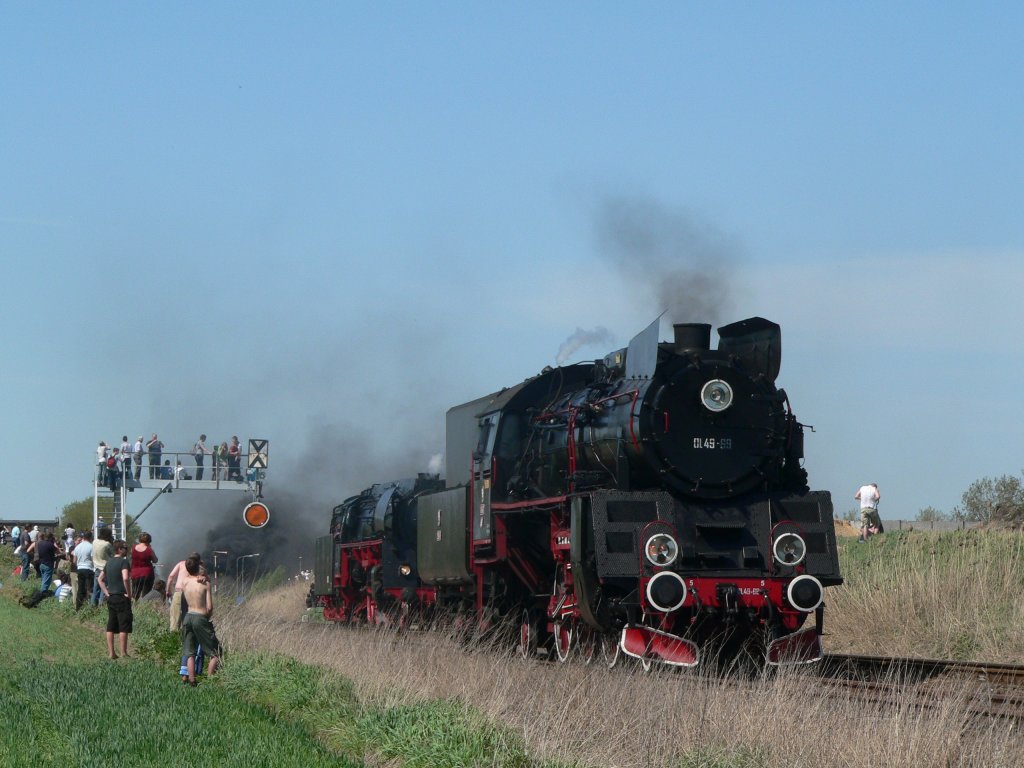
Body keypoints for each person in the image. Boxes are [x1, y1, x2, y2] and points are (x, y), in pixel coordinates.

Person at [180, 558, 223, 685]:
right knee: (216, 652)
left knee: (190, 652)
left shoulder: (185, 582)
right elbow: (209, 607)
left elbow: (190, 574)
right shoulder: (205, 584)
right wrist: (207, 617)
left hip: (188, 616)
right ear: (198, 567)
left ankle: (192, 680)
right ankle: (210, 679)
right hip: (201, 617)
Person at [98, 540, 133, 659]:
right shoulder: (124, 562)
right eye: (125, 548)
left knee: (111, 624)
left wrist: (106, 592)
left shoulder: (109, 562)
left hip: (111, 597)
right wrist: (129, 593)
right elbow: (126, 578)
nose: (126, 550)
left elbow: (100, 579)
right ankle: (123, 652)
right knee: (124, 624)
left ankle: (111, 652)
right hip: (122, 596)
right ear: (119, 549)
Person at [165, 553, 202, 631]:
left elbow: (171, 576)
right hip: (191, 594)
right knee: (187, 616)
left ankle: (173, 636)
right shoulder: (199, 567)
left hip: (179, 592)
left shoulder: (181, 564)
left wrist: (168, 591)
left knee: (175, 616)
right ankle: (186, 635)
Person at [130, 532, 158, 600]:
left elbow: (132, 556)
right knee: (146, 594)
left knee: (135, 593)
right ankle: (144, 607)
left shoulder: (133, 548)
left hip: (135, 573)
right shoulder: (149, 550)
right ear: (149, 540)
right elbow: (155, 560)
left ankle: (134, 607)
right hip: (147, 573)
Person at [72, 531, 95, 611]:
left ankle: (78, 607)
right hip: (89, 569)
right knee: (89, 588)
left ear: (83, 537)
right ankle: (90, 607)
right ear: (90, 538)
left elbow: (74, 561)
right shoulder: (91, 546)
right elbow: (93, 560)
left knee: (81, 589)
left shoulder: (77, 547)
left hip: (80, 569)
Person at [92, 527, 114, 606]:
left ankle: (92, 605)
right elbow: (113, 553)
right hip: (105, 568)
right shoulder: (107, 544)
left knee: (95, 589)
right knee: (103, 589)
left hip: (97, 567)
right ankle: (101, 605)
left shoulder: (95, 541)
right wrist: (112, 542)